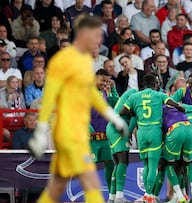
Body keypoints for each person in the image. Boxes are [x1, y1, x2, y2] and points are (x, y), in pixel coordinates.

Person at [28, 15, 128, 203]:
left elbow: (96, 101)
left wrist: (115, 120)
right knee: (87, 179)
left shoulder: (84, 64)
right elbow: (50, 98)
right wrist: (41, 131)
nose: (99, 40)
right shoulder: (63, 61)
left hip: (90, 136)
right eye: (96, 35)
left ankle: (112, 197)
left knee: (60, 184)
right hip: (73, 133)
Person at [120, 74, 186, 203]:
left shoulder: (135, 96)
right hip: (154, 131)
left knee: (146, 165)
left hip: (141, 132)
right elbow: (170, 102)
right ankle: (149, 195)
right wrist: (179, 106)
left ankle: (146, 194)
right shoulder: (158, 95)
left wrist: (135, 112)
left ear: (143, 84)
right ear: (155, 84)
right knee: (153, 165)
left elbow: (122, 112)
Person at [160, 104, 192, 203]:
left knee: (169, 164)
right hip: (190, 128)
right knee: (189, 162)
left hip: (175, 130)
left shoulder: (158, 108)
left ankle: (179, 195)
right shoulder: (177, 105)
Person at [89, 69, 118, 195]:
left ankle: (112, 196)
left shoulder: (105, 92)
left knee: (111, 166)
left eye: (107, 81)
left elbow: (117, 104)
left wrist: (113, 90)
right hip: (90, 139)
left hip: (106, 137)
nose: (104, 83)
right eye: (102, 80)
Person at [106, 88, 136, 203]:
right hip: (118, 128)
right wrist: (128, 132)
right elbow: (132, 115)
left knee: (118, 164)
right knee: (123, 162)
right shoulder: (136, 96)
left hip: (112, 127)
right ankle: (119, 196)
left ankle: (112, 196)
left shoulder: (129, 92)